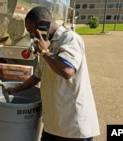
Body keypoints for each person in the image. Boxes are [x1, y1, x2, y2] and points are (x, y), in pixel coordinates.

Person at [6, 6, 100, 141]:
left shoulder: (70, 38)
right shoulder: (47, 44)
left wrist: (45, 52)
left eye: (32, 31)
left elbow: (67, 71)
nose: (31, 36)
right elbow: (36, 77)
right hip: (53, 125)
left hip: (73, 128)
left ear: (44, 23)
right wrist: (15, 90)